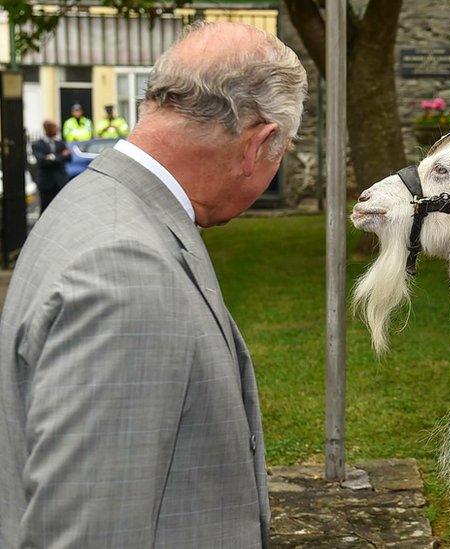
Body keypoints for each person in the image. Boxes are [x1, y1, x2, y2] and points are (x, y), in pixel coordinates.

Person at [0, 21, 306, 548]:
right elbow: (91, 533)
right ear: (262, 144)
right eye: (286, 150)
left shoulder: (95, 200)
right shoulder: (128, 271)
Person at [30, 120, 71, 211]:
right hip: (46, 183)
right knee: (46, 209)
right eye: (54, 128)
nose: (57, 130)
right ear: (47, 129)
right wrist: (60, 156)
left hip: (60, 182)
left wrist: (51, 157)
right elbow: (42, 162)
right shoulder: (37, 144)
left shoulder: (60, 143)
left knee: (61, 209)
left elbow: (69, 158)